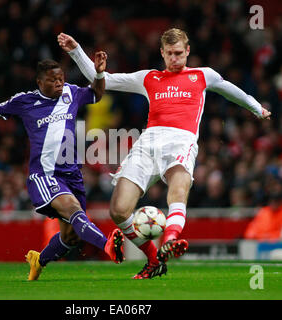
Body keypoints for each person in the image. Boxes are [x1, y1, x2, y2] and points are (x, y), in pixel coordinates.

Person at [58, 28, 271, 279]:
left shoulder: (203, 76)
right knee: (118, 210)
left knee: (178, 188)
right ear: (162, 53)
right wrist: (75, 51)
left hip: (181, 142)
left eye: (179, 53)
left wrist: (257, 108)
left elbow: (231, 90)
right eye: (169, 54)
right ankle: (153, 259)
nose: (174, 58)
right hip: (148, 143)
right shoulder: (148, 78)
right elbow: (99, 78)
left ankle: (170, 239)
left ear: (188, 51)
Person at [0, 53, 125, 280]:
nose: (59, 83)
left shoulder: (71, 93)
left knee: (71, 238)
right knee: (72, 207)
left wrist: (98, 73)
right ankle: (108, 246)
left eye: (61, 78)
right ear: (40, 82)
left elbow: (97, 93)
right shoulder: (25, 101)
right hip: (45, 175)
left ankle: (39, 261)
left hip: (72, 174)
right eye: (53, 79)